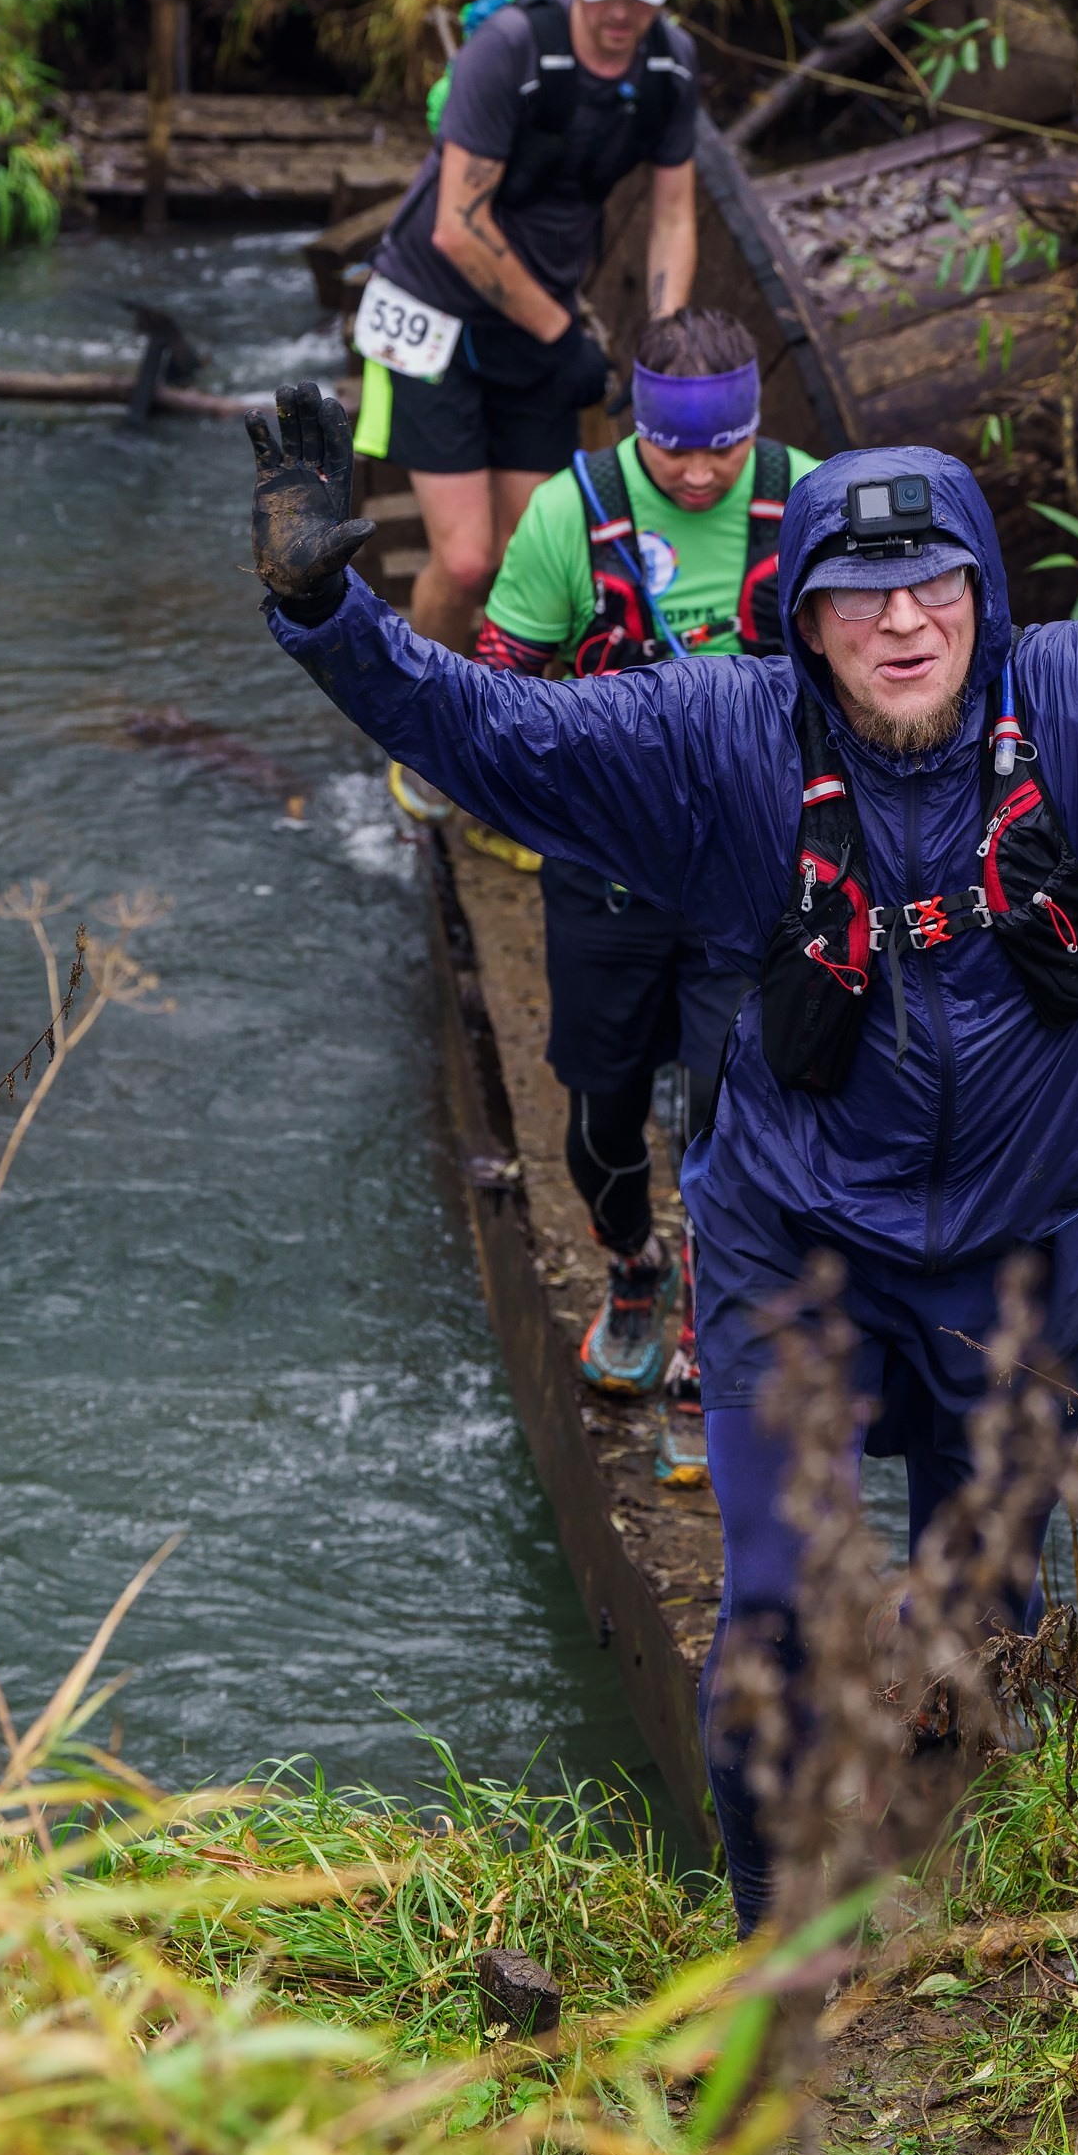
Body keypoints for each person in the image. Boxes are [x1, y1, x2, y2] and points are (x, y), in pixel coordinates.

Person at [246, 308, 1078, 1929]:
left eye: (936, 587)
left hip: (1016, 1268)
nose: (905, 621)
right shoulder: (717, 741)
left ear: (985, 598)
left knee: (989, 1613)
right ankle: (772, 1944)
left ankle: (974, 1914)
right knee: (773, 1629)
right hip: (793, 1254)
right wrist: (326, 614)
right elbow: (491, 734)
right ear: (807, 622)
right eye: (861, 595)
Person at [474, 307, 817, 1483]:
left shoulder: (807, 499)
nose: (700, 471)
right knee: (601, 1113)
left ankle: (707, 1347)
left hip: (753, 873)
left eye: (722, 446)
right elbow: (501, 690)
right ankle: (631, 1264)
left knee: (737, 1112)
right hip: (609, 875)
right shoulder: (569, 516)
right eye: (677, 449)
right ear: (636, 426)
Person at [352, 0, 699, 657]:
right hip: (436, 315)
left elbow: (674, 215)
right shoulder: (508, 50)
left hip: (537, 321)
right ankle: (423, 729)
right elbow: (456, 227)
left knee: (531, 557)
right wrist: (562, 336)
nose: (620, 14)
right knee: (469, 559)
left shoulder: (671, 65)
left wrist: (669, 345)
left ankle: (515, 736)